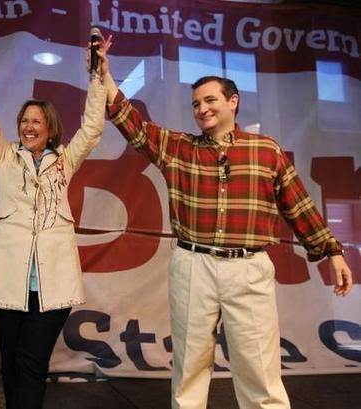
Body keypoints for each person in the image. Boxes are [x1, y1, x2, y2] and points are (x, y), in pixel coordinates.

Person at [96, 38, 354, 409]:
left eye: (210, 100)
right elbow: (130, 121)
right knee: (189, 368)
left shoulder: (265, 150)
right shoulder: (179, 148)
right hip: (193, 265)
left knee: (260, 370)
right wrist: (105, 75)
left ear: (233, 101)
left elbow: (298, 205)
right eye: (196, 104)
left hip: (248, 267)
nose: (202, 109)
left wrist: (333, 251)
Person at [0, 31, 107, 409]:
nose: (29, 126)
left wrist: (97, 78)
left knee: (31, 364)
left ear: (50, 128)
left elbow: (92, 129)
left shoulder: (65, 161)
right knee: (11, 364)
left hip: (52, 287)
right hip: (8, 284)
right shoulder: (5, 158)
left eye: (37, 121)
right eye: (24, 120)